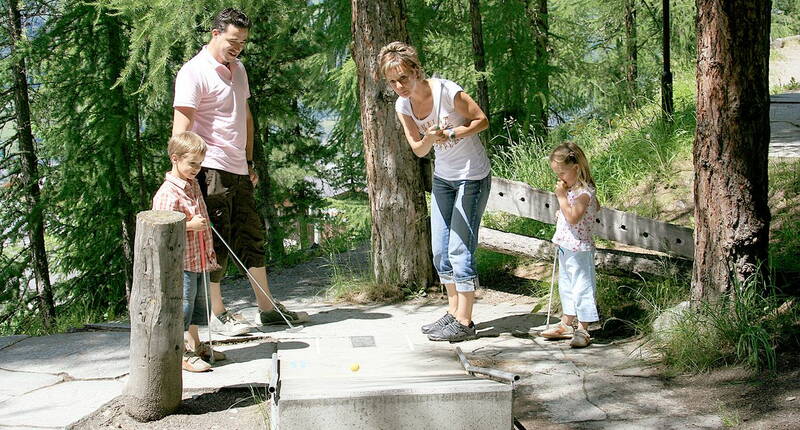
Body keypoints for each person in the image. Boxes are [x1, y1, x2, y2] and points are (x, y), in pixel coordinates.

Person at [172, 8, 306, 336]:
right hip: (209, 168)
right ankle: (218, 314)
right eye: (233, 41)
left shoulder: (239, 69)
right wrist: (180, 174)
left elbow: (244, 117)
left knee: (250, 235)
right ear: (215, 34)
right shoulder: (193, 72)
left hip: (237, 167)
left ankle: (268, 309)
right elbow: (182, 126)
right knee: (216, 241)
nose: (238, 48)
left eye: (243, 43)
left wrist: (248, 163)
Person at [378, 41, 491, 342]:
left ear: (415, 70)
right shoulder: (403, 105)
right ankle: (453, 312)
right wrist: (430, 137)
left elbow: (482, 120)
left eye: (403, 77)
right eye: (392, 82)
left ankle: (465, 322)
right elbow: (418, 149)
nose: (399, 86)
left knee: (459, 247)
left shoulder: (446, 91)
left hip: (472, 176)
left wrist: (452, 132)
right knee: (440, 250)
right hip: (443, 178)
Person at [152, 131, 227, 372]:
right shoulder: (167, 193)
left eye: (200, 164)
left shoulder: (193, 185)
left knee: (198, 306)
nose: (196, 168)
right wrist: (188, 225)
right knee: (182, 308)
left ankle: (195, 344)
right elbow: (160, 228)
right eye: (192, 163)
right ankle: (179, 352)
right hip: (182, 262)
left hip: (200, 258)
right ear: (175, 158)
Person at [540, 142, 601, 348]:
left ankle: (584, 328)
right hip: (566, 246)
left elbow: (574, 217)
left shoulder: (584, 192)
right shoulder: (573, 190)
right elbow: (569, 215)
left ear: (576, 168)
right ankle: (567, 322)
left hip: (580, 248)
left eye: (562, 173)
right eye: (557, 174)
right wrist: (563, 209)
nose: (560, 178)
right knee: (566, 285)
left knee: (582, 286)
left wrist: (561, 198)